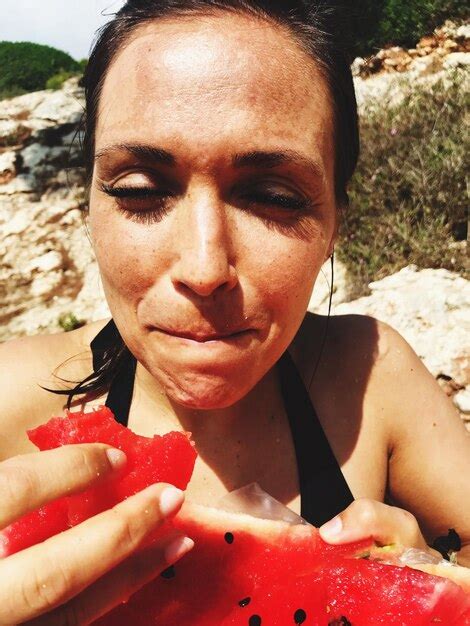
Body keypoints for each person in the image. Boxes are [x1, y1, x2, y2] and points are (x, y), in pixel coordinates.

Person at [0, 1, 468, 623]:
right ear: (90, 205)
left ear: (335, 224)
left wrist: (429, 584)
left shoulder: (373, 376)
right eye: (140, 192)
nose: (203, 267)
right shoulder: (9, 396)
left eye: (271, 197)